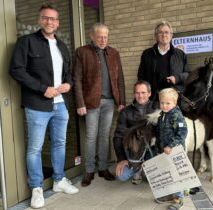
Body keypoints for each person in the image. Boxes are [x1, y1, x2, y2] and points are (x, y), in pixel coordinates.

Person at [9, 3, 79, 209]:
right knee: (35, 148)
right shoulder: (26, 42)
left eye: (54, 19)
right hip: (37, 104)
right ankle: (37, 188)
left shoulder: (62, 45)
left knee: (59, 144)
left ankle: (58, 181)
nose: (50, 22)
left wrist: (69, 84)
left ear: (57, 23)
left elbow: (68, 73)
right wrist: (42, 89)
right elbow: (16, 70)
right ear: (40, 20)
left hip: (61, 105)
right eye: (46, 18)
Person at [73, 23, 126, 187]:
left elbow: (120, 80)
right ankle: (89, 170)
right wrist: (80, 103)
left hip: (110, 102)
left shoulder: (114, 53)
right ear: (92, 36)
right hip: (90, 102)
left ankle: (103, 168)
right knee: (91, 137)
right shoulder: (82, 52)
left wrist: (122, 101)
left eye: (105, 37)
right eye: (99, 37)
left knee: (104, 136)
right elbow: (77, 79)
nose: (103, 40)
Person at [137, 20, 190, 108]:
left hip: (174, 100)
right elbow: (141, 76)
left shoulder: (180, 54)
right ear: (156, 36)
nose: (164, 35)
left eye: (166, 32)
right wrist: (145, 94)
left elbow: (188, 74)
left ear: (171, 35)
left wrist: (176, 78)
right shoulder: (147, 54)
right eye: (160, 32)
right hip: (154, 101)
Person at [113, 80, 155, 184]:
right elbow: (118, 137)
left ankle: (144, 168)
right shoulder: (125, 112)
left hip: (152, 150)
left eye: (143, 92)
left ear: (149, 93)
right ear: (134, 94)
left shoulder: (158, 108)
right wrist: (122, 159)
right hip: (134, 151)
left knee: (153, 177)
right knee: (122, 176)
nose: (140, 96)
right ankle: (137, 168)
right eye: (137, 93)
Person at [155, 88, 187, 210]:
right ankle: (170, 195)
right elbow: (160, 132)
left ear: (175, 103)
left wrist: (171, 146)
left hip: (174, 151)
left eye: (168, 103)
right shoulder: (162, 115)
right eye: (162, 103)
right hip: (164, 151)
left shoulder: (176, 116)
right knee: (167, 174)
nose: (164, 105)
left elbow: (183, 132)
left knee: (176, 175)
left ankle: (179, 199)